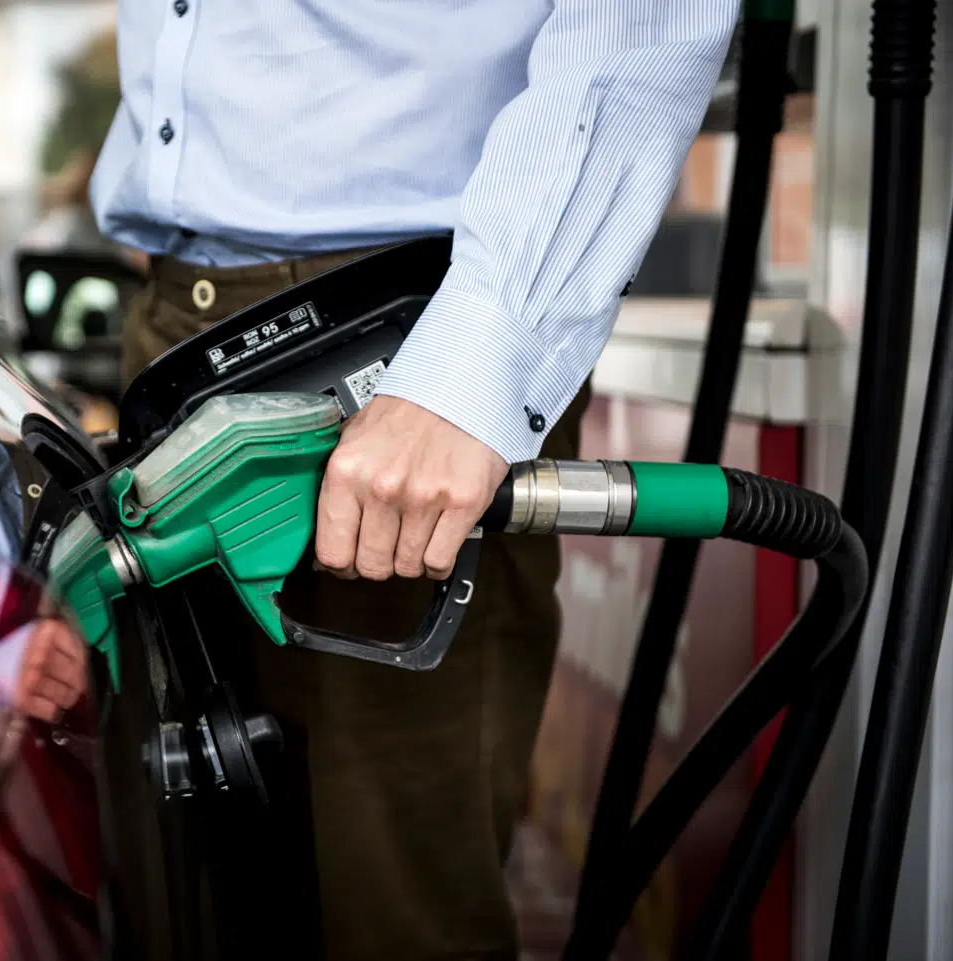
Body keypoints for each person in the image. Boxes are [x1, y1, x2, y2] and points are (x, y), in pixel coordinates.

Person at [88, 4, 741, 959]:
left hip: (395, 343)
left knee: (394, 911)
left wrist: (466, 371)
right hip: (175, 328)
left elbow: (638, 27)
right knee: (187, 894)